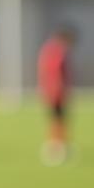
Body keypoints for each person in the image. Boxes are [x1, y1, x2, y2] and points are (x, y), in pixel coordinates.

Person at [37, 25, 76, 165]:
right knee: (58, 121)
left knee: (57, 120)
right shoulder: (57, 51)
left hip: (50, 91)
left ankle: (57, 146)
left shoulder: (49, 49)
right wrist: (60, 90)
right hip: (55, 93)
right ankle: (56, 148)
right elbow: (55, 72)